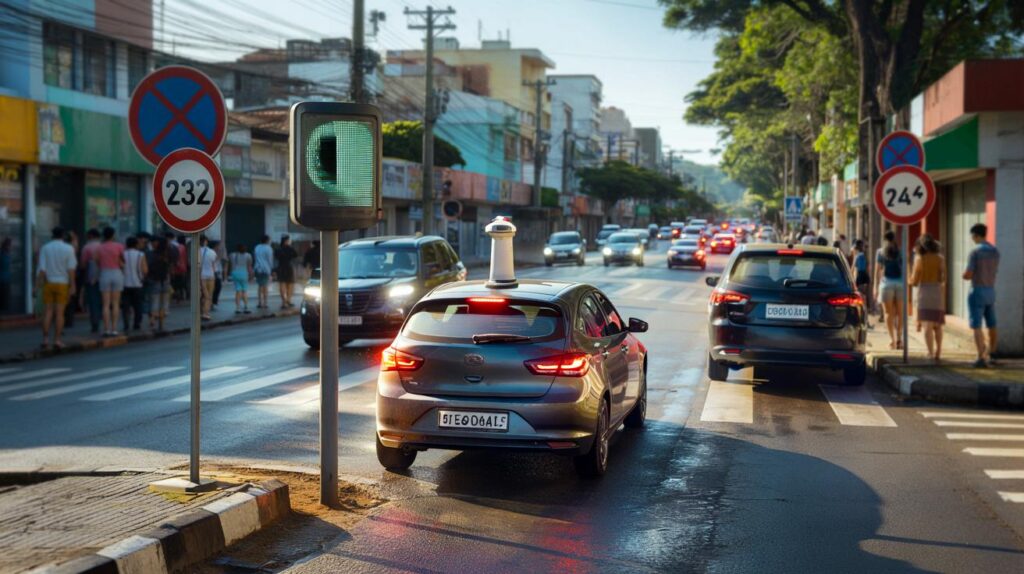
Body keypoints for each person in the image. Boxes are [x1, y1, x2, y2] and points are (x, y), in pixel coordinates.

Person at [963, 223, 1000, 367]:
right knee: (992, 323)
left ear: (975, 235)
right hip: (991, 290)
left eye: (972, 236)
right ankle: (993, 354)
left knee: (976, 325)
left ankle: (980, 357)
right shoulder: (995, 251)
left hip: (977, 290)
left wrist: (964, 275)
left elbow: (968, 273)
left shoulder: (975, 252)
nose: (972, 238)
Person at [37, 227, 77, 349]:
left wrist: (37, 285)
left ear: (52, 235)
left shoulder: (45, 248)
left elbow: (42, 269)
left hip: (49, 283)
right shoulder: (69, 248)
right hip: (62, 283)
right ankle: (57, 340)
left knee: (48, 311)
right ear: (63, 235)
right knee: (60, 313)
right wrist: (73, 285)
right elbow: (71, 269)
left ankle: (45, 339)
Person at [909, 234, 946, 361]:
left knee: (927, 326)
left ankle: (930, 353)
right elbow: (943, 278)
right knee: (938, 325)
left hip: (924, 293)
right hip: (937, 292)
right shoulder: (940, 258)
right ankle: (938, 352)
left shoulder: (919, 259)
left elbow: (914, 281)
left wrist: (910, 277)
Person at [874, 230, 904, 350]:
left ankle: (892, 340)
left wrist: (875, 287)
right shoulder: (900, 251)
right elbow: (905, 268)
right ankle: (900, 339)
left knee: (888, 313)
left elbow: (877, 271)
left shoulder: (880, 252)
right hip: (900, 284)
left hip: (886, 284)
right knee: (900, 313)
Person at [98, 226, 125, 337]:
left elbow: (96, 260)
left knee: (105, 304)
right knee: (115, 303)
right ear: (113, 235)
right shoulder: (119, 246)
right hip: (116, 273)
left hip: (105, 273)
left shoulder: (100, 247)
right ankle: (114, 328)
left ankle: (106, 329)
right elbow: (123, 259)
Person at [145, 236, 173, 331]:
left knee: (154, 301)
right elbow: (171, 267)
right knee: (164, 303)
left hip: (154, 280)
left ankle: (152, 319)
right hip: (165, 280)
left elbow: (148, 267)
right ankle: (161, 324)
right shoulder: (168, 254)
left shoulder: (151, 254)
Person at [121, 236, 147, 331]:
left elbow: (120, 266)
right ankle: (137, 323)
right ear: (136, 244)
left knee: (125, 306)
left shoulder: (122, 254)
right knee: (138, 305)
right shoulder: (140, 254)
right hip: (137, 283)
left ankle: (126, 324)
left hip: (125, 284)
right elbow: (145, 270)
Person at [79, 229, 102, 333]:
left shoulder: (87, 247)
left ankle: (95, 323)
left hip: (91, 277)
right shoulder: (102, 246)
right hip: (104, 276)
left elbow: (83, 264)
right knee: (103, 301)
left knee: (93, 301)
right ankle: (104, 321)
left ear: (90, 236)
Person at [229, 243, 253, 314]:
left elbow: (230, 263)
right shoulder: (248, 255)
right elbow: (249, 266)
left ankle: (238, 308)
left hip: (235, 273)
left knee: (238, 291)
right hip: (244, 273)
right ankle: (246, 307)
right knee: (244, 291)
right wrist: (251, 276)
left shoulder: (232, 255)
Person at [274, 235, 298, 309]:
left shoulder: (278, 249)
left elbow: (276, 258)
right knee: (290, 285)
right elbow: (295, 255)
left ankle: (284, 302)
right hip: (289, 267)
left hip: (280, 267)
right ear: (286, 241)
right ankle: (288, 300)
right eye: (289, 240)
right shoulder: (290, 249)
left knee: (282, 284)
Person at [198, 236, 218, 321]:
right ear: (206, 241)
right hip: (211, 275)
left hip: (201, 276)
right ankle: (206, 313)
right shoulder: (212, 252)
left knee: (204, 295)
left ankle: (202, 312)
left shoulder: (197, 251)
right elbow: (214, 265)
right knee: (209, 296)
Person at [253, 235, 273, 310]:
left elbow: (255, 257)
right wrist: (271, 269)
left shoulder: (257, 247)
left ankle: (259, 302)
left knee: (260, 286)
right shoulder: (268, 248)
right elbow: (270, 259)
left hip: (257, 268)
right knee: (265, 286)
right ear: (267, 240)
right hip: (266, 269)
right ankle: (265, 303)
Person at [210, 240, 224, 310]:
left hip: (216, 272)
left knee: (216, 287)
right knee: (216, 287)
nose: (219, 247)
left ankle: (213, 302)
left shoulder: (215, 253)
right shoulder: (212, 253)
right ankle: (212, 302)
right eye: (218, 246)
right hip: (213, 272)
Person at [0, 237, 11, 313]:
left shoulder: (7, 254)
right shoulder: (2, 254)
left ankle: (5, 310)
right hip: (2, 279)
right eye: (9, 245)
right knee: (2, 296)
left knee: (6, 296)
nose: (10, 247)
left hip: (6, 278)